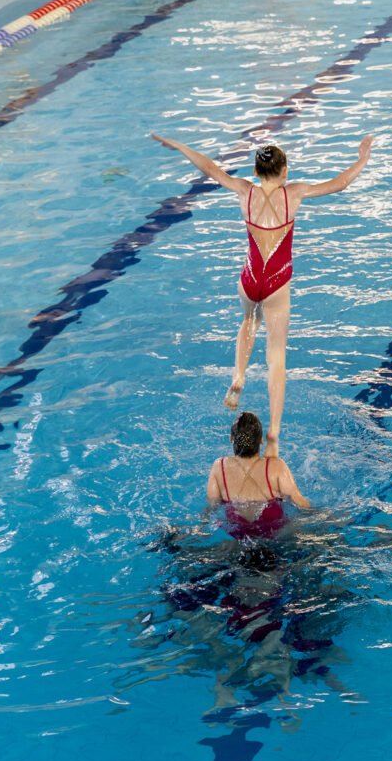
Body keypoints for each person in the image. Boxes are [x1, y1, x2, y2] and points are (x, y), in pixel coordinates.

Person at [150, 131, 374, 455]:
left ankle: (239, 376)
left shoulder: (244, 191)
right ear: (285, 172)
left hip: (250, 278)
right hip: (277, 283)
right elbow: (340, 183)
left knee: (249, 321)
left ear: (255, 171)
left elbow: (210, 168)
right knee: (276, 356)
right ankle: (274, 435)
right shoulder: (294, 193)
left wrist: (179, 145)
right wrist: (362, 159)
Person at [206, 411, 310, 538]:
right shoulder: (276, 467)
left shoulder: (219, 467)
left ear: (231, 438)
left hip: (238, 537)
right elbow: (302, 505)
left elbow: (212, 508)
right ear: (261, 440)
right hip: (276, 538)